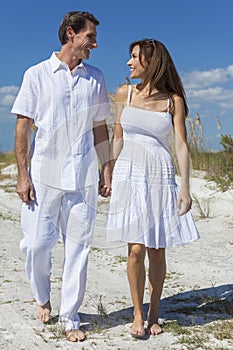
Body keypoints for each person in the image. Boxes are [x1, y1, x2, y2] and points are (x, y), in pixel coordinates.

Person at [11, 11, 111, 342]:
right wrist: (23, 174)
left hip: (82, 176)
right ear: (71, 33)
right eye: (90, 37)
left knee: (78, 248)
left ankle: (70, 317)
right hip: (43, 175)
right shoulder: (36, 74)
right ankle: (42, 296)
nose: (95, 44)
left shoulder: (95, 77)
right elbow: (23, 127)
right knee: (37, 244)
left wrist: (106, 167)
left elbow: (100, 128)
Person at [107, 38, 200, 338]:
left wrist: (185, 187)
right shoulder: (126, 93)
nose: (129, 62)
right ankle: (137, 313)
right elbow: (118, 136)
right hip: (130, 174)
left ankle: (155, 312)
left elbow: (182, 146)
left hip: (159, 175)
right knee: (135, 249)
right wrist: (108, 169)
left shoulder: (173, 100)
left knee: (157, 250)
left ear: (151, 61)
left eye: (134, 57)